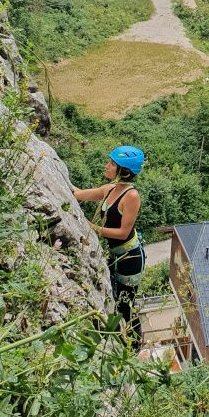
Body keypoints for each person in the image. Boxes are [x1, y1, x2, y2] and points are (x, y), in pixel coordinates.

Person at [72, 145, 146, 345]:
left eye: (112, 164)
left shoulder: (131, 196)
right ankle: (125, 339)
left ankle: (134, 344)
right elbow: (80, 194)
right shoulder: (110, 189)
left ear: (124, 171)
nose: (106, 166)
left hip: (130, 257)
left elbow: (123, 232)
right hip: (117, 254)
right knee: (116, 298)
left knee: (125, 303)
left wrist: (92, 227)